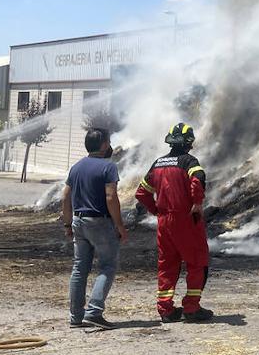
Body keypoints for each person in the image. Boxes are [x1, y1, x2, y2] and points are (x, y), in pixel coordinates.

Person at [135, 122, 213, 323]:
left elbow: (141, 192)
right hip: (186, 220)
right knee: (197, 262)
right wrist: (197, 203)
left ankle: (166, 310)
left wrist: (156, 211)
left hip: (164, 223)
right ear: (189, 142)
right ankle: (191, 308)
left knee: (167, 265)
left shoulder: (158, 163)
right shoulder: (189, 161)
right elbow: (198, 178)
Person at [60, 128, 128, 330]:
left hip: (78, 222)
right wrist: (120, 225)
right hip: (100, 222)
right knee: (108, 266)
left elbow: (65, 197)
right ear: (105, 145)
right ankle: (94, 311)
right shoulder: (108, 167)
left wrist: (67, 223)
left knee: (79, 269)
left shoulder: (76, 167)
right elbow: (111, 197)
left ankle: (76, 317)